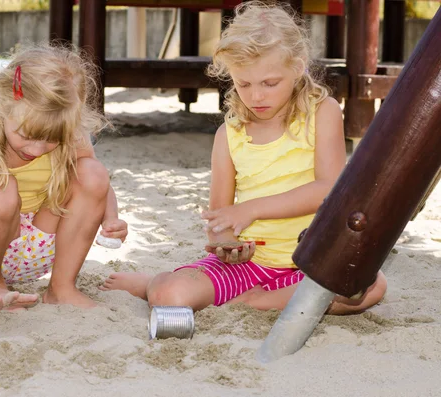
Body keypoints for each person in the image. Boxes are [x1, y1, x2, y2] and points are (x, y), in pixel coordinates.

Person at [100, 1, 387, 315]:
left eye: (269, 83)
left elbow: (329, 189)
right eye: (243, 84)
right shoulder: (230, 135)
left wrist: (251, 209)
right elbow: (220, 218)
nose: (256, 96)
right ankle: (152, 283)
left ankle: (255, 302)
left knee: (371, 288)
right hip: (250, 266)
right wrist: (226, 244)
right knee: (171, 294)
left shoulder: (322, 112)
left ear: (297, 66)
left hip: (315, 264)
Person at [0, 44, 128, 316]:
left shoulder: (69, 132)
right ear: (1, 106)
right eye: (26, 134)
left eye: (51, 140)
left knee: (92, 170)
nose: (35, 150)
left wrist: (111, 218)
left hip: (40, 246)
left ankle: (61, 288)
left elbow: (98, 184)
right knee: (0, 189)